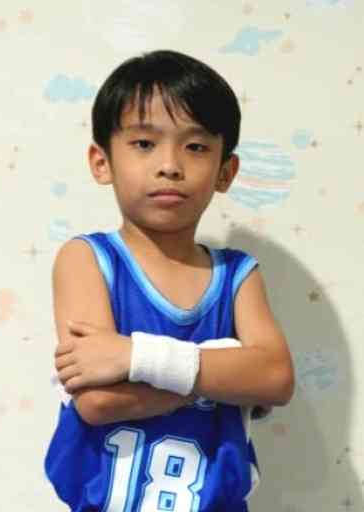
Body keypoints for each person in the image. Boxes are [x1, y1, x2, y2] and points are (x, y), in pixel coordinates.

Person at [44, 49, 295, 512]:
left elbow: (276, 378)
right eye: (144, 143)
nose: (170, 165)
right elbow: (98, 401)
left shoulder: (237, 274)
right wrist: (223, 371)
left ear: (225, 172)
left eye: (195, 147)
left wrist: (134, 357)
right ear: (101, 161)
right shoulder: (87, 259)